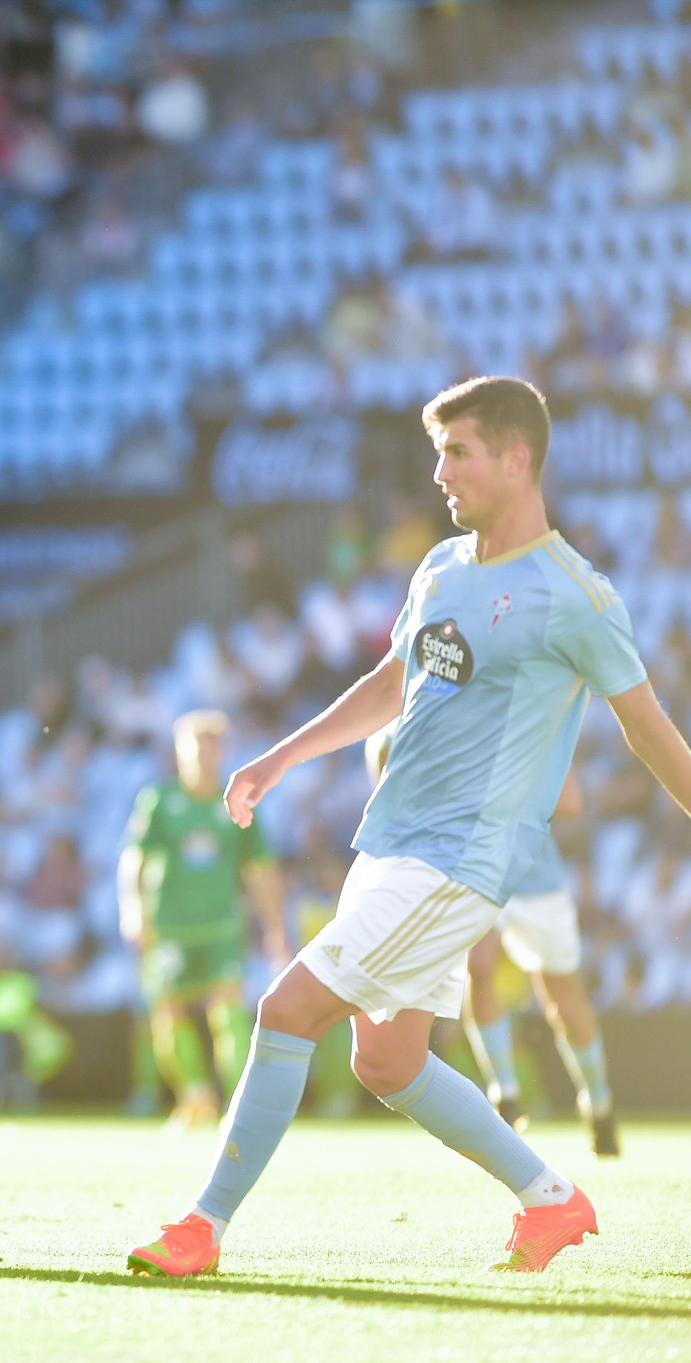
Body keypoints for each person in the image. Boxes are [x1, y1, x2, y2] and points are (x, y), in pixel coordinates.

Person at [128, 376, 691, 1278]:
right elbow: (394, 684)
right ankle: (552, 1198)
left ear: (517, 458)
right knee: (388, 1061)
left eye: (457, 452)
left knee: (285, 1009)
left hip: (457, 863)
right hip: (388, 843)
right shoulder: (440, 566)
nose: (438, 472)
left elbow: (651, 733)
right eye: (437, 453)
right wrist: (281, 756)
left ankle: (203, 1226)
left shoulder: (576, 597)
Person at [119, 710, 287, 1129]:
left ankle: (238, 1104)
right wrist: (132, 910)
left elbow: (260, 869)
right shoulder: (159, 801)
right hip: (170, 928)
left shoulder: (236, 803)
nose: (203, 755)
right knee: (168, 1013)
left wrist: (275, 928)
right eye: (195, 747)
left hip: (222, 926)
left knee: (228, 1011)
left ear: (223, 751)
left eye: (212, 746)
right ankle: (194, 1098)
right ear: (178, 753)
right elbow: (134, 860)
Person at [464, 789, 618, 1156]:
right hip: (477, 874)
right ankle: (505, 1096)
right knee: (478, 964)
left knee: (564, 1003)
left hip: (538, 881)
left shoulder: (538, 729)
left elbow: (570, 801)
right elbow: (386, 763)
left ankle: (599, 1105)